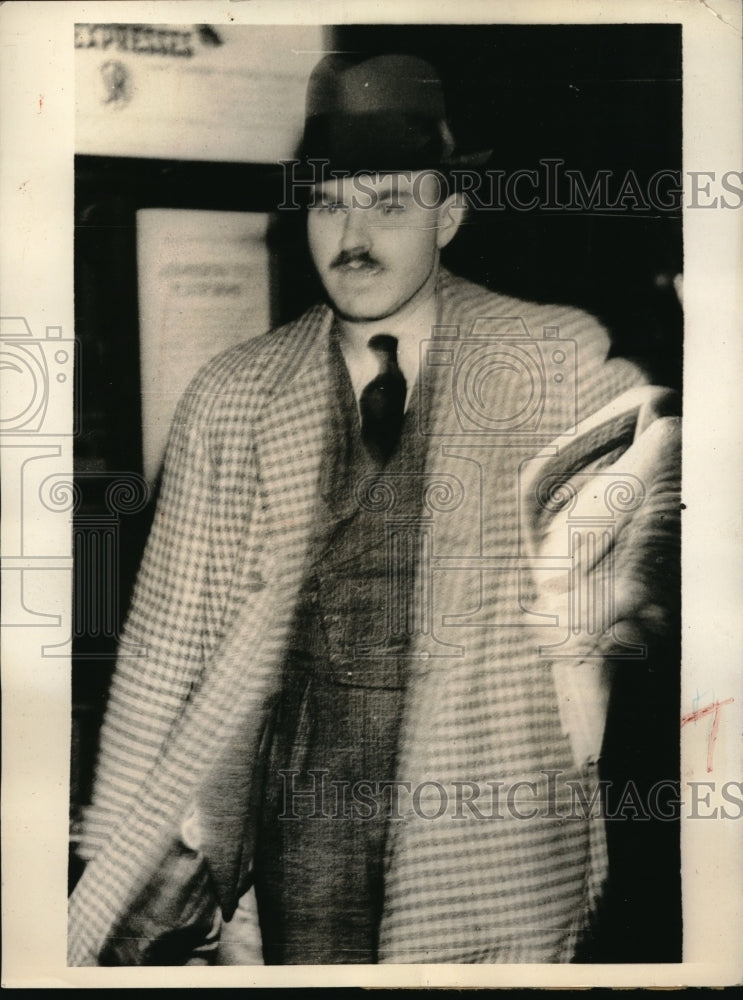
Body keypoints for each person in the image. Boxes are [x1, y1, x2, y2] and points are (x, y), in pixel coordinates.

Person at [68, 53, 681, 966]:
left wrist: (631, 585)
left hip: (486, 827)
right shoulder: (230, 396)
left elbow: (646, 552)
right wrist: (123, 852)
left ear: (450, 212)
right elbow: (162, 653)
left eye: (388, 202)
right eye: (327, 202)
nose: (350, 234)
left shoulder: (554, 361)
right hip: (299, 818)